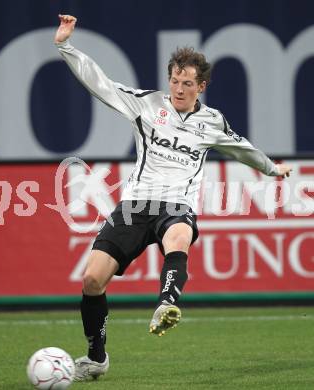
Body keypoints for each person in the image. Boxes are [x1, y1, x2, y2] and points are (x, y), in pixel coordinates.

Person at [54, 14, 292, 382]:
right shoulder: (146, 106)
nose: (179, 89)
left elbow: (243, 149)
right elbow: (99, 83)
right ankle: (97, 357)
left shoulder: (212, 121)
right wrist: (65, 46)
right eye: (175, 81)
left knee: (178, 238)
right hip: (135, 205)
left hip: (176, 205)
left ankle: (166, 304)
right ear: (169, 80)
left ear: (202, 86)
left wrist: (272, 170)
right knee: (91, 280)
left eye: (187, 84)